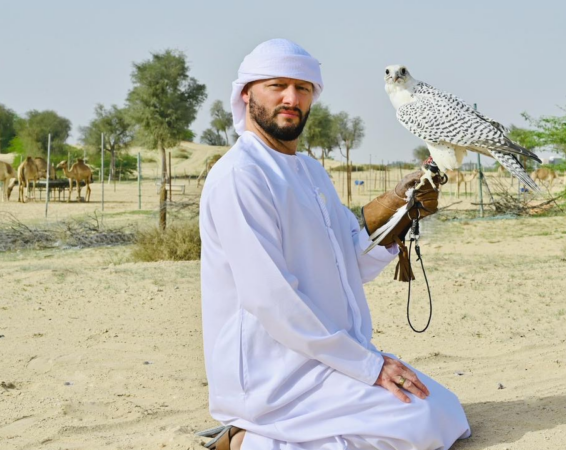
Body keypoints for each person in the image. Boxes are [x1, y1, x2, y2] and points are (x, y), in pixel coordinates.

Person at [199, 38, 471, 450]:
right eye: (277, 86)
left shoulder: (310, 171)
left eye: (302, 88)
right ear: (246, 94)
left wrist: (400, 211)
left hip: (325, 357)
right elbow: (271, 299)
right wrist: (369, 366)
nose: (291, 98)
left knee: (443, 410)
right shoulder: (241, 176)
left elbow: (348, 261)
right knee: (423, 422)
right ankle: (248, 440)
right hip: (271, 372)